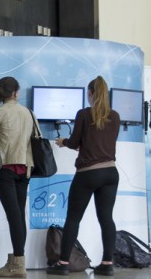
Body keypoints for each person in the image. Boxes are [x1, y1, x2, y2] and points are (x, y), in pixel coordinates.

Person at [46, 76, 120, 277]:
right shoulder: (115, 116)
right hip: (111, 172)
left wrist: (63, 141)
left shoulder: (84, 114)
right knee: (106, 219)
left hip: (88, 173)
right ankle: (107, 263)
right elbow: (105, 141)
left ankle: (63, 264)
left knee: (73, 218)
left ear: (89, 94)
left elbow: (75, 142)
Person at [0, 77, 36, 278]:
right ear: (16, 93)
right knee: (18, 216)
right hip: (26, 168)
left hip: (5, 168)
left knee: (13, 217)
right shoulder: (28, 113)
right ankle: (16, 259)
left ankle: (18, 263)